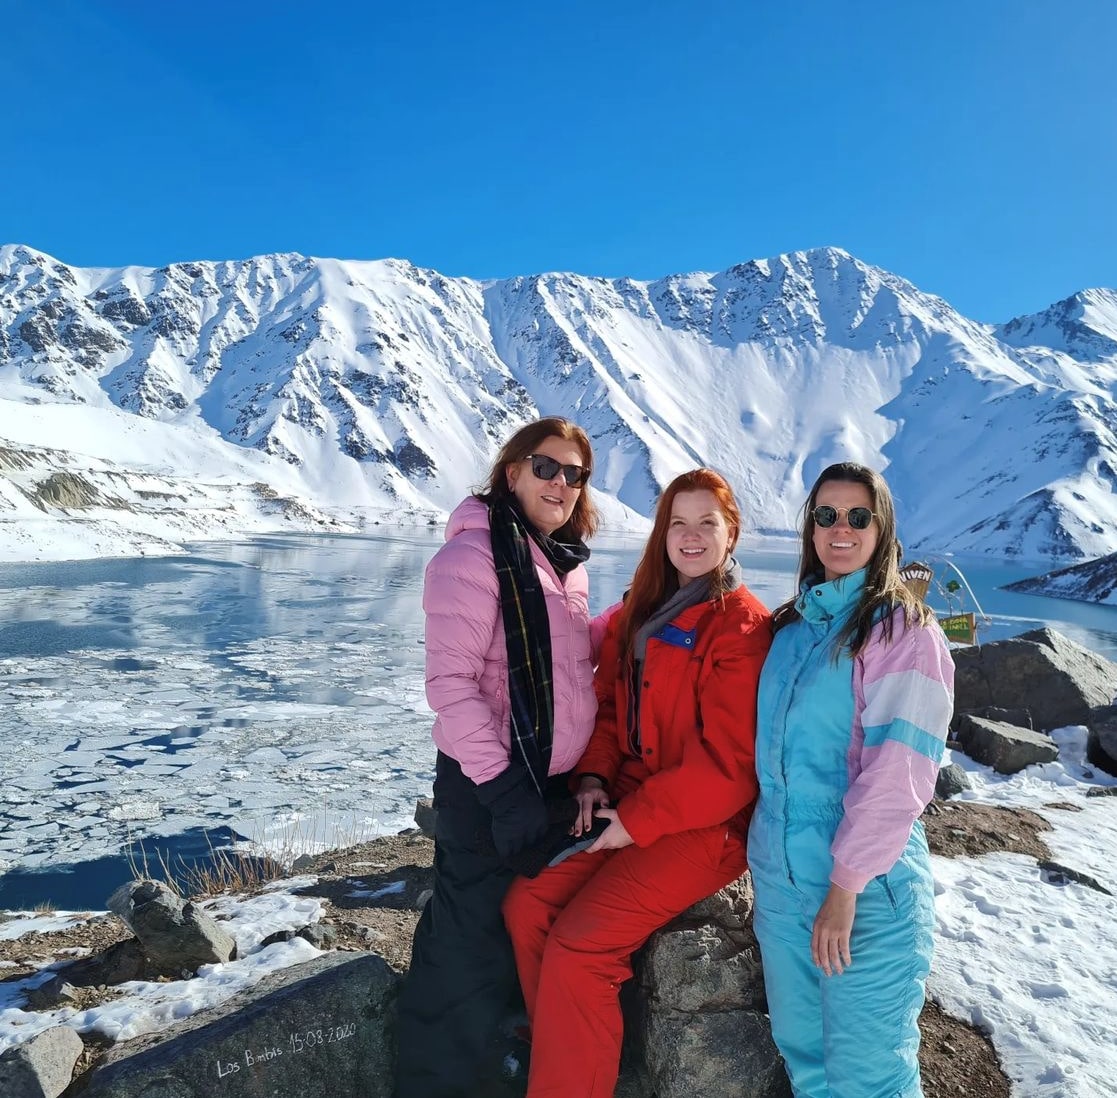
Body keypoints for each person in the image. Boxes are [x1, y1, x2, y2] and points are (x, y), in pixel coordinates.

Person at [502, 468, 772, 1098]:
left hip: (704, 826)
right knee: (528, 906)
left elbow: (728, 767)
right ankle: (569, 1048)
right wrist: (594, 778)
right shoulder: (642, 610)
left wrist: (634, 821)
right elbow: (608, 705)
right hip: (629, 801)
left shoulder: (740, 626)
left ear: (731, 533)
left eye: (708, 522)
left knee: (580, 948)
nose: (692, 535)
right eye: (678, 522)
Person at [394, 416, 600, 1098]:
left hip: (544, 783)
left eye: (575, 474)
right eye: (547, 467)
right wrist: (506, 792)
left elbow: (567, 671)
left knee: (505, 938)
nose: (561, 483)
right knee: (465, 949)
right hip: (489, 787)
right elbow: (450, 687)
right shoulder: (473, 557)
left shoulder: (555, 564)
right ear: (511, 472)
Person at [749, 462, 955, 1098]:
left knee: (871, 1077)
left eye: (857, 517)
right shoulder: (792, 630)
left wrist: (845, 886)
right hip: (783, 886)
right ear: (810, 527)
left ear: (881, 528)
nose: (841, 528)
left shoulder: (903, 632)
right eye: (826, 515)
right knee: (807, 1060)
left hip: (864, 893)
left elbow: (900, 773)